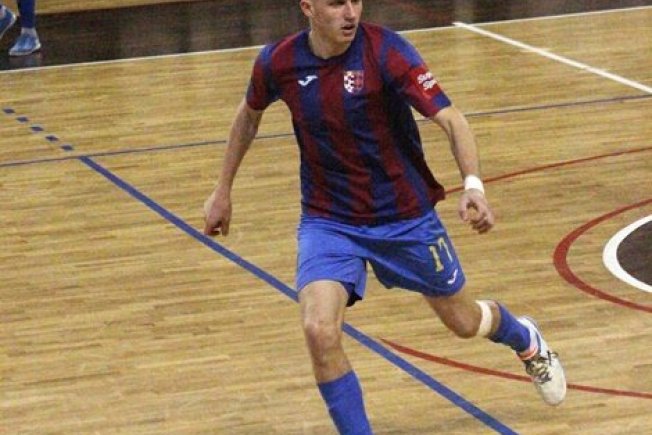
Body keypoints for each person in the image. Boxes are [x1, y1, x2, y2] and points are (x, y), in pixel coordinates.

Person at [203, 0, 567, 433]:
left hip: (405, 217)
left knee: (464, 322)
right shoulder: (278, 61)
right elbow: (248, 115)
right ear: (307, 7)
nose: (350, 12)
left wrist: (473, 186)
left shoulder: (387, 52)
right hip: (329, 220)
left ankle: (525, 338)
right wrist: (222, 189)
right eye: (336, 3)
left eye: (356, 0)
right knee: (319, 330)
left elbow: (451, 119)